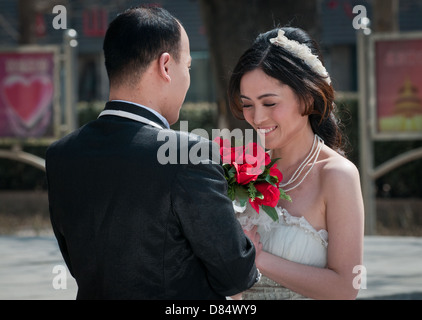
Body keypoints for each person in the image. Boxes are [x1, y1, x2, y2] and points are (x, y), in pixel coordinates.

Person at [46, 6, 260, 300]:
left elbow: (78, 263)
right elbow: (235, 273)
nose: (187, 78)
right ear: (166, 66)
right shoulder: (188, 154)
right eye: (187, 67)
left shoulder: (61, 155)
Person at [228, 27, 365, 300]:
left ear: (307, 97)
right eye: (247, 104)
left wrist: (258, 259)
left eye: (269, 103)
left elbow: (345, 288)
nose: (257, 118)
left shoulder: (337, 175)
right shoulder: (240, 168)